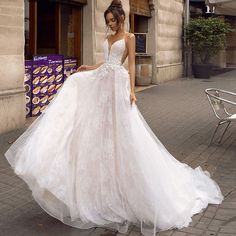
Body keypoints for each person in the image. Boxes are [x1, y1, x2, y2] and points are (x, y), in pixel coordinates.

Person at [5, 0, 223, 235]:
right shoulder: (108, 39)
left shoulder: (128, 37)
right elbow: (107, 62)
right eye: (107, 21)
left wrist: (131, 90)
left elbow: (130, 64)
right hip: (102, 85)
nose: (110, 24)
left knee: (122, 133)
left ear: (121, 18)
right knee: (97, 126)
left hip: (118, 86)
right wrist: (89, 67)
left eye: (113, 20)